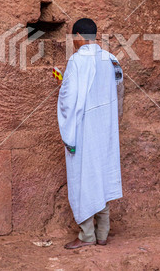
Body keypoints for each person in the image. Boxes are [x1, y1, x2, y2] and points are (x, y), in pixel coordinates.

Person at [57, 18, 123, 249]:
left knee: (84, 178)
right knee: (101, 176)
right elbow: (118, 87)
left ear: (77, 36)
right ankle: (102, 233)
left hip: (84, 129)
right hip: (105, 128)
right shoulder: (111, 59)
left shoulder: (76, 61)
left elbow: (69, 99)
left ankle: (86, 235)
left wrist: (62, 83)